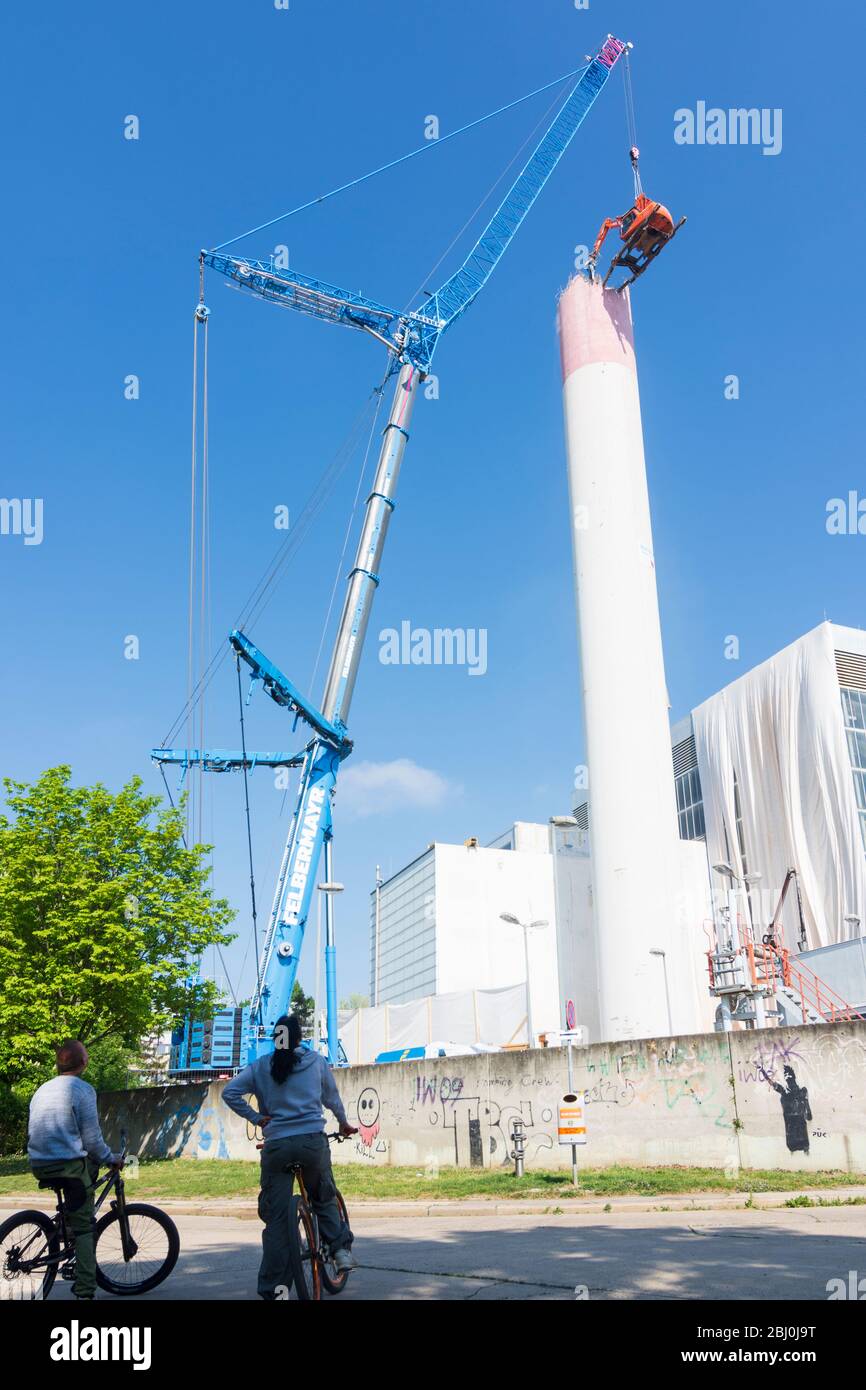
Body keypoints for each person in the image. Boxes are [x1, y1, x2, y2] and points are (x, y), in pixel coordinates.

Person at [222, 1013, 358, 1299]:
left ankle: (275, 1290)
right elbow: (332, 1099)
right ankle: (340, 1251)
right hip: (312, 1144)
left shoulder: (260, 1067)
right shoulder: (315, 1062)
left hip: (277, 1148)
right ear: (299, 1038)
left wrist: (258, 1119)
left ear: (276, 1038)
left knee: (277, 1219)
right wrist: (344, 1124)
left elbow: (230, 1092)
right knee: (322, 1196)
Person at [27, 1039, 123, 1300]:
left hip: (39, 1164)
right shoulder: (83, 1090)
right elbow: (92, 1140)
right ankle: (84, 1291)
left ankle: (69, 1216)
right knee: (85, 1229)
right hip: (67, 1167)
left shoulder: (41, 1090)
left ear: (59, 1064)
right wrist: (110, 1159)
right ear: (84, 1063)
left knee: (85, 1172)